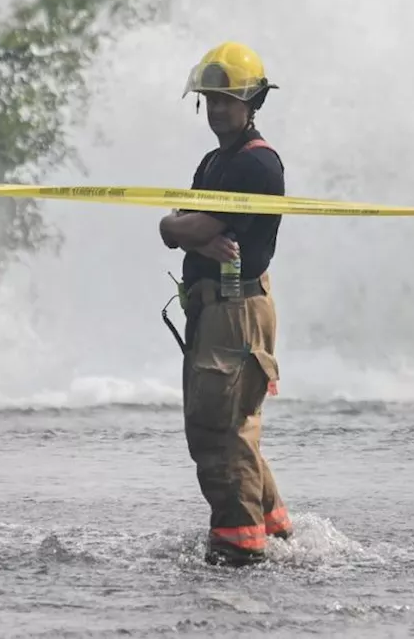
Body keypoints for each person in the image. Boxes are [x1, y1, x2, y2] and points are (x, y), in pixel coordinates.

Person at [158, 40, 292, 566]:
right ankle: (275, 533)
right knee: (234, 431)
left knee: (221, 434)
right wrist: (183, 229)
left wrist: (187, 229)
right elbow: (178, 223)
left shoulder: (256, 167)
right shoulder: (216, 161)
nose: (217, 109)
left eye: (227, 100)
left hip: (236, 312)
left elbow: (193, 224)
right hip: (215, 311)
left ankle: (239, 551)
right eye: (211, 99)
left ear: (252, 101)